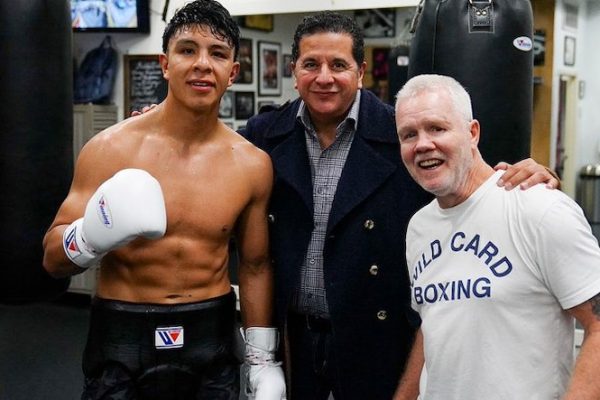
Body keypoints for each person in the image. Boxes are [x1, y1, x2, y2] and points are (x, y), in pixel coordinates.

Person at [240, 11, 560, 400]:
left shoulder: (403, 135)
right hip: (296, 339)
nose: (325, 77)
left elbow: (468, 179)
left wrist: (526, 173)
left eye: (339, 65)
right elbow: (212, 153)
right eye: (312, 64)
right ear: (294, 70)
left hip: (378, 341)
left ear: (359, 72)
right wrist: (153, 125)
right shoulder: (265, 135)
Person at [42, 1, 285, 399]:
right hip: (122, 334)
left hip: (211, 333)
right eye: (188, 50)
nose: (203, 64)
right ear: (165, 64)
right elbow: (52, 260)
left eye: (218, 53)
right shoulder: (109, 149)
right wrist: (88, 236)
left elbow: (256, 266)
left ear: (233, 72)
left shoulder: (252, 165)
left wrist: (262, 359)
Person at [393, 74, 600, 399]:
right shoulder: (419, 227)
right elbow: (436, 323)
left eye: (437, 128)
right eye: (408, 134)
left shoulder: (537, 207)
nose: (422, 144)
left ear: (472, 132)